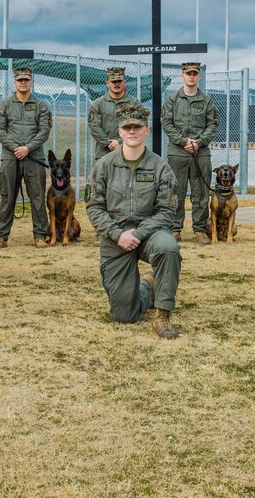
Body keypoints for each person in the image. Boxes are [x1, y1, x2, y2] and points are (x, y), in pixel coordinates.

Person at [86, 103, 181, 339]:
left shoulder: (160, 167)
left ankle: (163, 315)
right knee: (124, 315)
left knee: (168, 248)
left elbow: (167, 211)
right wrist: (117, 234)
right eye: (127, 127)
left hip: (148, 234)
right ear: (120, 131)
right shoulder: (104, 166)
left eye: (137, 127)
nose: (132, 131)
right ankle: (148, 287)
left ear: (146, 130)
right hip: (115, 238)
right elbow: (94, 208)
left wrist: (138, 234)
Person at [0, 67, 52, 249]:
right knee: (7, 197)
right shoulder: (4, 105)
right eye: (20, 80)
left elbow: (44, 131)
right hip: (11, 158)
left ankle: (40, 235)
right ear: (14, 83)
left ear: (32, 82)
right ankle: (1, 237)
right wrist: (15, 147)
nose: (23, 83)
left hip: (34, 158)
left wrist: (28, 148)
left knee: (38, 197)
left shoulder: (41, 106)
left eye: (26, 80)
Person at [161, 62, 218, 245]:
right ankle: (175, 228)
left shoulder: (207, 101)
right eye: (188, 73)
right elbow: (167, 123)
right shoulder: (172, 99)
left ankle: (199, 230)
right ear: (182, 76)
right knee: (175, 191)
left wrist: (199, 143)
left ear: (199, 76)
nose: (191, 76)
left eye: (194, 73)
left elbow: (212, 124)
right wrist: (184, 141)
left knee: (200, 192)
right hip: (178, 153)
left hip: (200, 154)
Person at [88, 66, 141, 160]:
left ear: (125, 83)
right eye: (113, 81)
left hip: (128, 153)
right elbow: (94, 127)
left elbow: (140, 126)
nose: (116, 84)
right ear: (107, 83)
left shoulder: (135, 103)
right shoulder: (98, 104)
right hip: (104, 154)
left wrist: (120, 142)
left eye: (119, 81)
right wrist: (110, 144)